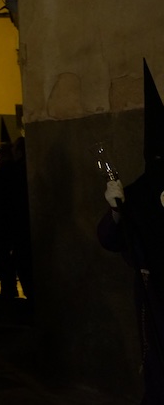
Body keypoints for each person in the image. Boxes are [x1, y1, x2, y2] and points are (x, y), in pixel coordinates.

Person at [97, 59, 164, 404]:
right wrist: (116, 210)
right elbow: (110, 239)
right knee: (159, 368)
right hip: (155, 297)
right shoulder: (136, 193)